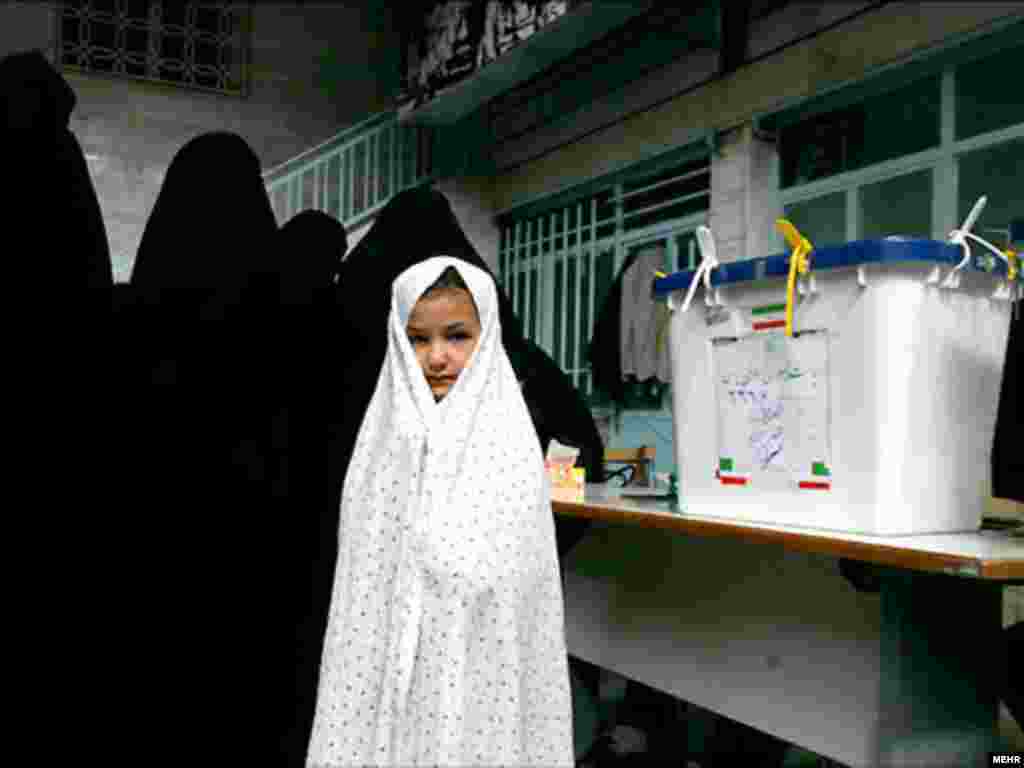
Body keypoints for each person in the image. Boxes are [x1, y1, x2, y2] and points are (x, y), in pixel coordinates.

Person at [306, 257, 574, 767]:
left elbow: (520, 563)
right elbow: (365, 563)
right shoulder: (382, 437)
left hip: (478, 640)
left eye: (457, 336)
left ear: (486, 334)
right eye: (418, 339)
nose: (437, 357)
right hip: (390, 641)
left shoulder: (508, 438)